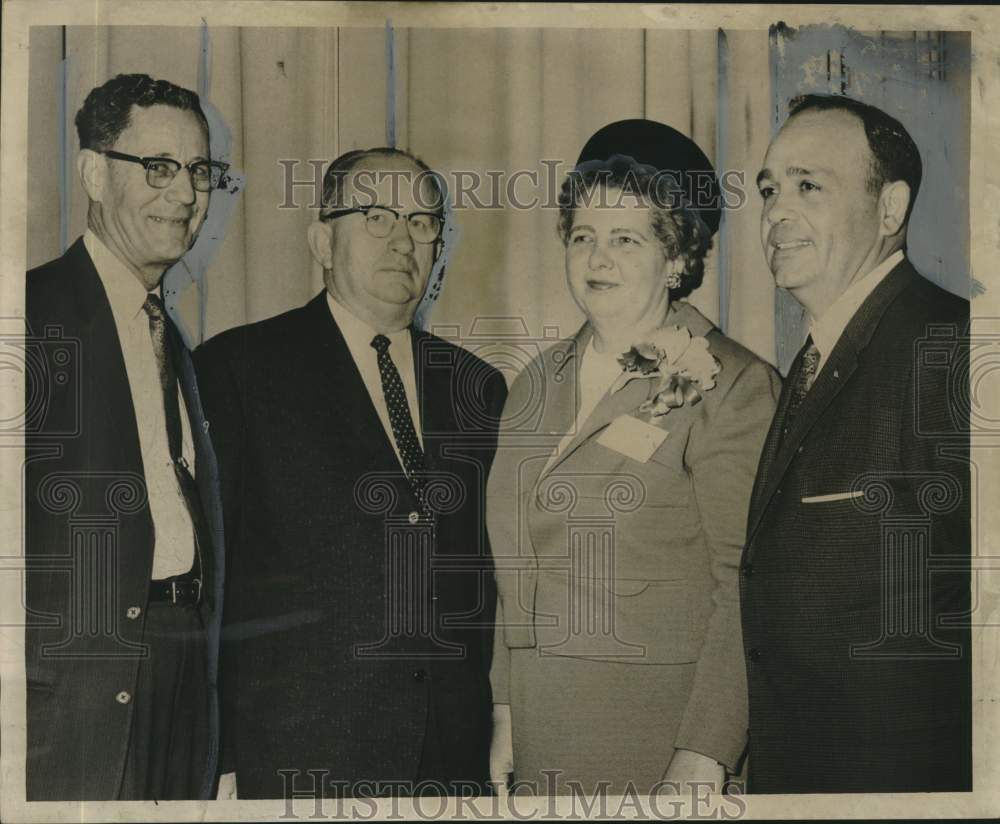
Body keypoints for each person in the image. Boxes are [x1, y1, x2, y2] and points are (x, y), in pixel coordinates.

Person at [194, 147, 507, 799]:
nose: (403, 240)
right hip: (298, 754)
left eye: (423, 223)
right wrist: (219, 754)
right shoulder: (239, 370)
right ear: (322, 241)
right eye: (376, 216)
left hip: (449, 760)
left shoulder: (477, 386)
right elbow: (210, 583)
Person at [488, 120, 781, 796]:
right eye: (584, 237)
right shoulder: (535, 382)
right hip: (543, 726)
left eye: (626, 239)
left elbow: (746, 587)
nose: (598, 259)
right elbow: (512, 566)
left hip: (663, 732)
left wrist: (707, 750)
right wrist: (506, 709)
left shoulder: (732, 386)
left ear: (675, 256)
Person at [742, 94, 971, 793]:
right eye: (770, 189)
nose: (777, 211)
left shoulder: (949, 346)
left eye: (809, 185)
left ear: (890, 209)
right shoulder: (813, 361)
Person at [24, 73, 228, 800]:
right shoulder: (29, 315)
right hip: (69, 699)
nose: (184, 196)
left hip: (178, 671)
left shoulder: (168, 333)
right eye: (159, 168)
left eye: (200, 173)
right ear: (92, 173)